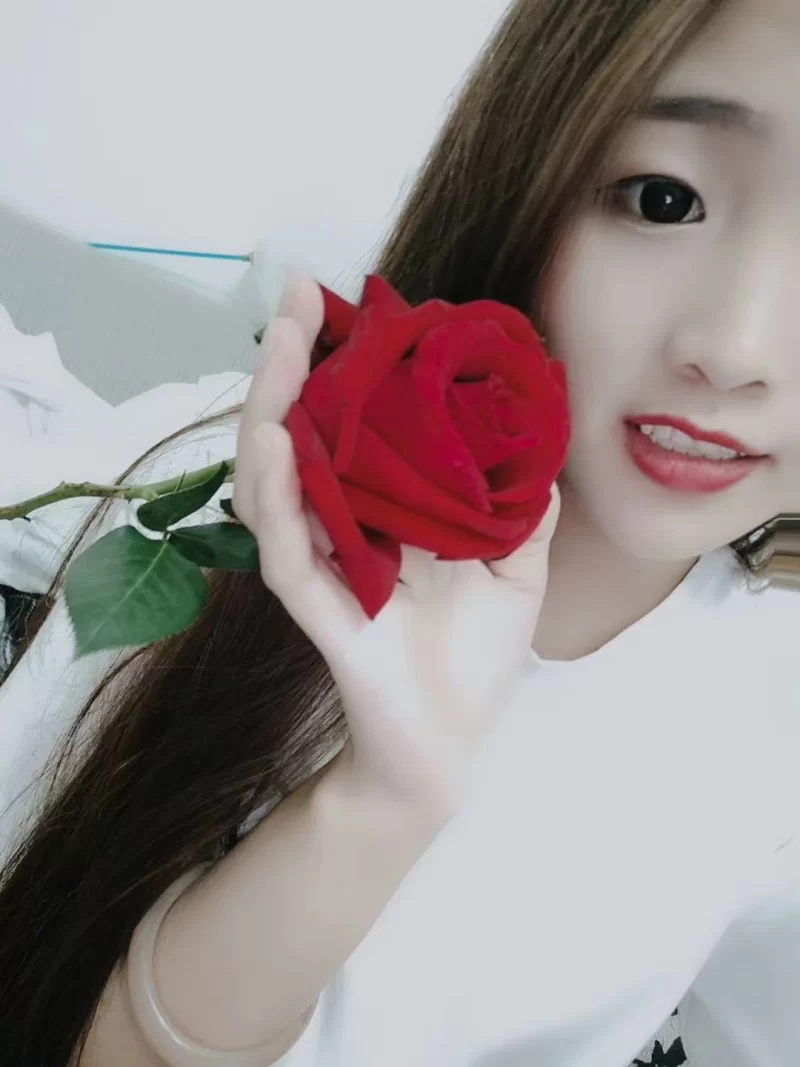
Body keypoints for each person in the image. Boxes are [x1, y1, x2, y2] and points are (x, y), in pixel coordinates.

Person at [1, 0, 799, 1064]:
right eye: (664, 199)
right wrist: (383, 800)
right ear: (528, 169)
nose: (735, 347)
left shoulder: (772, 715)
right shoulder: (227, 502)